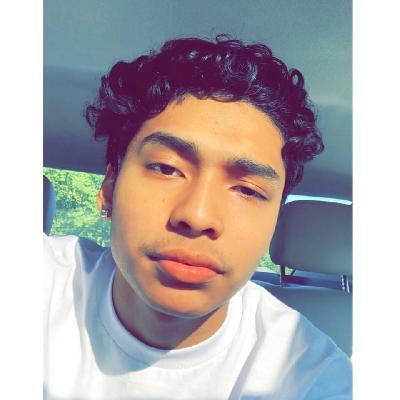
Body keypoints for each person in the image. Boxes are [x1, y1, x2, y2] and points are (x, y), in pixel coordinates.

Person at [43, 35, 352, 399]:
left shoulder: (312, 377)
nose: (198, 215)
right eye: (166, 168)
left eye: (247, 190)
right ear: (110, 187)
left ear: (273, 223)